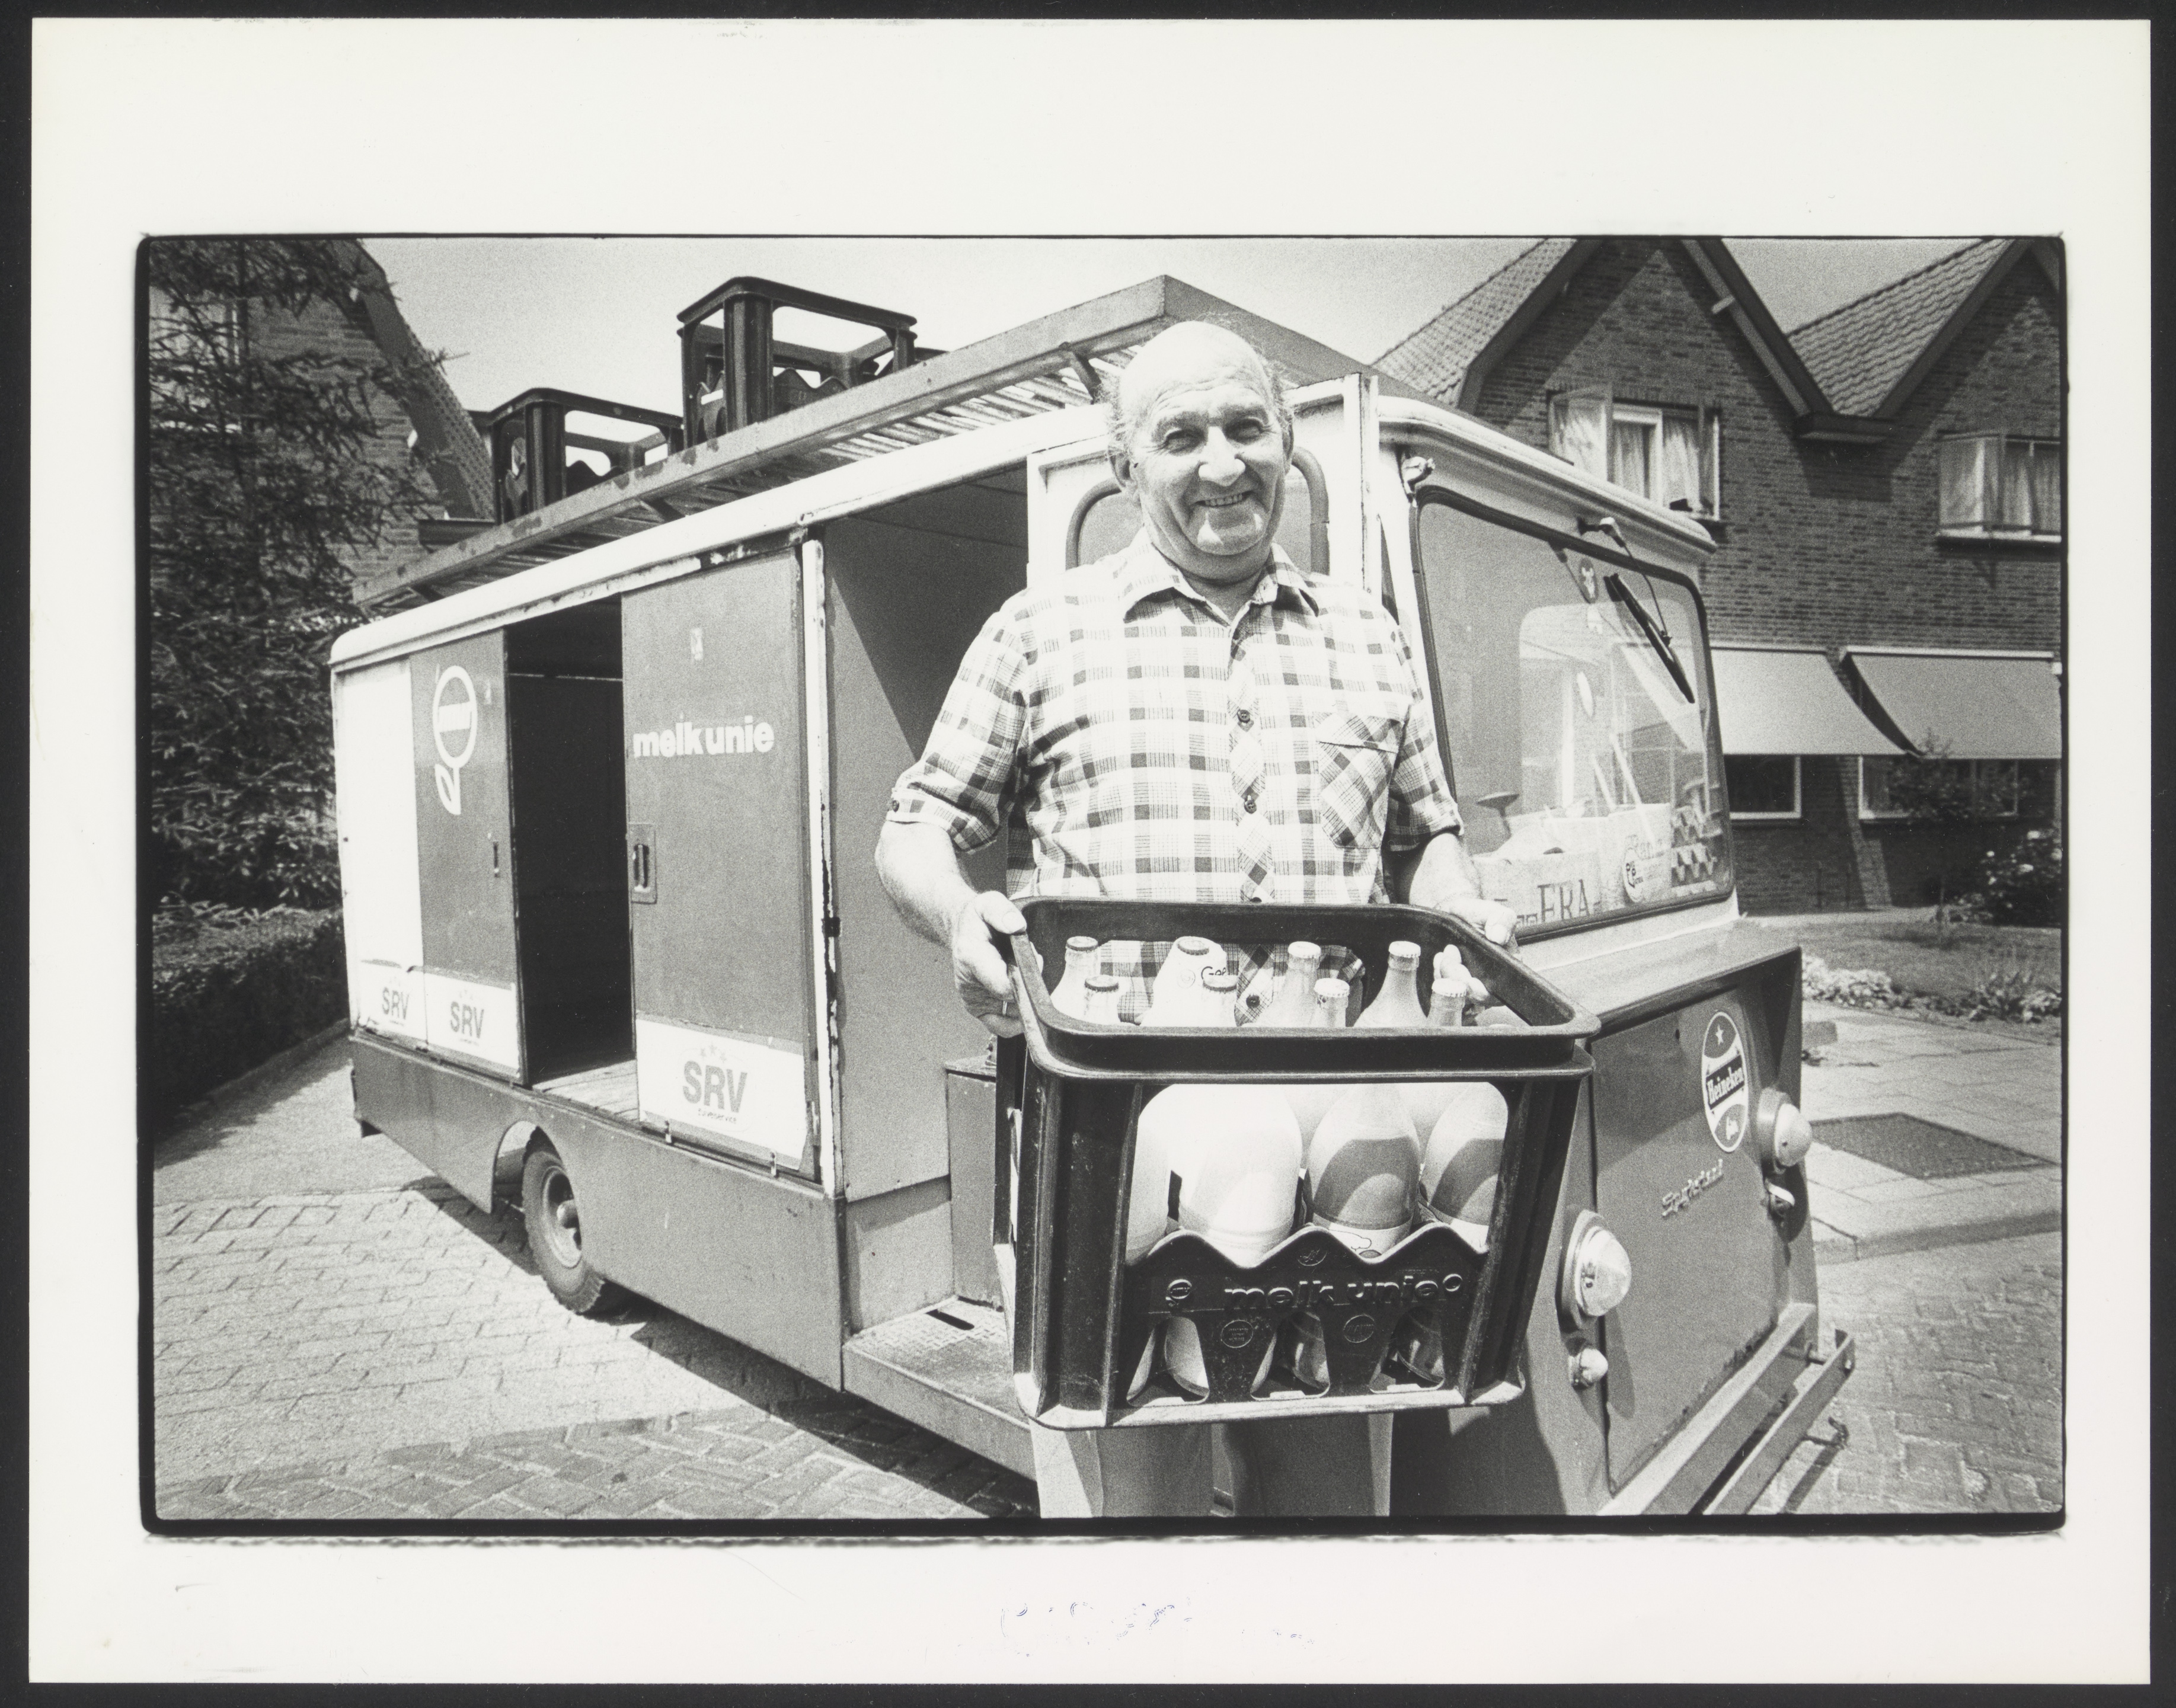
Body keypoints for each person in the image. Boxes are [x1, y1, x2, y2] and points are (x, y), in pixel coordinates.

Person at [874, 321, 1516, 1517]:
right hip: (1115, 1141)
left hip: (1338, 1139)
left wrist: (1462, 909)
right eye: (1180, 437)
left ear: (1287, 442)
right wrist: (960, 916)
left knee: (1326, 1496)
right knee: (1137, 1508)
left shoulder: (1368, 636)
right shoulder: (1040, 632)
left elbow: (1425, 835)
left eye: (1245, 427)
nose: (1221, 463)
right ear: (1127, 469)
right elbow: (914, 826)